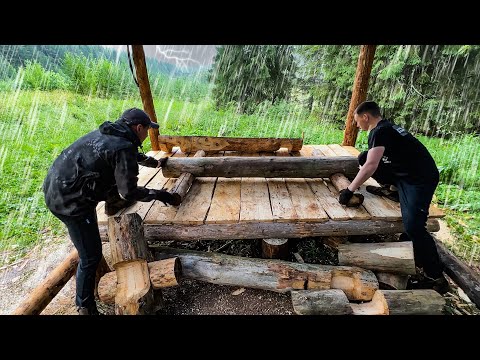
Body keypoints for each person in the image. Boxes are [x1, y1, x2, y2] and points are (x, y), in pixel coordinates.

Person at [43, 107, 181, 315]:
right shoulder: (123, 146)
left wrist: (154, 163)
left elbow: (128, 155)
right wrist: (162, 195)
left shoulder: (111, 132)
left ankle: (111, 204)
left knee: (113, 180)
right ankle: (84, 306)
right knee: (90, 256)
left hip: (57, 183)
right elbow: (130, 192)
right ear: (138, 127)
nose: (147, 134)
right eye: (147, 130)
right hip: (70, 202)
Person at [338, 101, 450, 294]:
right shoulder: (384, 128)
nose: (357, 125)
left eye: (357, 121)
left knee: (414, 226)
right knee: (363, 157)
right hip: (404, 174)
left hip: (419, 179)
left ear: (366, 117)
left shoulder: (380, 131)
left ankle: (435, 277)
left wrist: (349, 190)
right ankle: (394, 190)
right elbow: (371, 160)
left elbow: (371, 167)